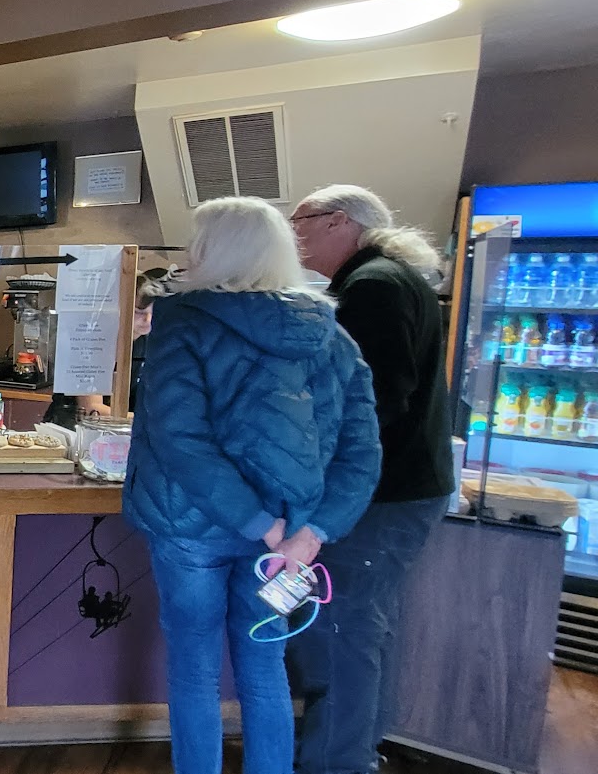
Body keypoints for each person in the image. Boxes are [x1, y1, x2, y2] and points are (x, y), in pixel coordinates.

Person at [124, 197, 383, 774]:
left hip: (191, 527)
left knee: (194, 671)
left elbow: (179, 438)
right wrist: (311, 533)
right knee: (264, 670)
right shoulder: (333, 337)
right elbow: (361, 452)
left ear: (211, 250)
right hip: (288, 541)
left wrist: (256, 523)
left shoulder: (184, 323)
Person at [287, 185, 453, 774]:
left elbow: (370, 403)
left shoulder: (373, 286)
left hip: (381, 494)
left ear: (338, 221)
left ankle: (337, 764)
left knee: (338, 633)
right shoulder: (390, 277)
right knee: (361, 629)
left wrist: (309, 469)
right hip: (407, 488)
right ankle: (355, 753)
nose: (292, 232)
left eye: (300, 220)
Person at [47, 270, 164, 425]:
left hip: (119, 431)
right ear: (118, 308)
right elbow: (93, 410)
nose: (148, 319)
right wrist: (155, 421)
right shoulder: (92, 342)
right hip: (71, 429)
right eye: (138, 312)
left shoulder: (148, 343)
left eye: (153, 312)